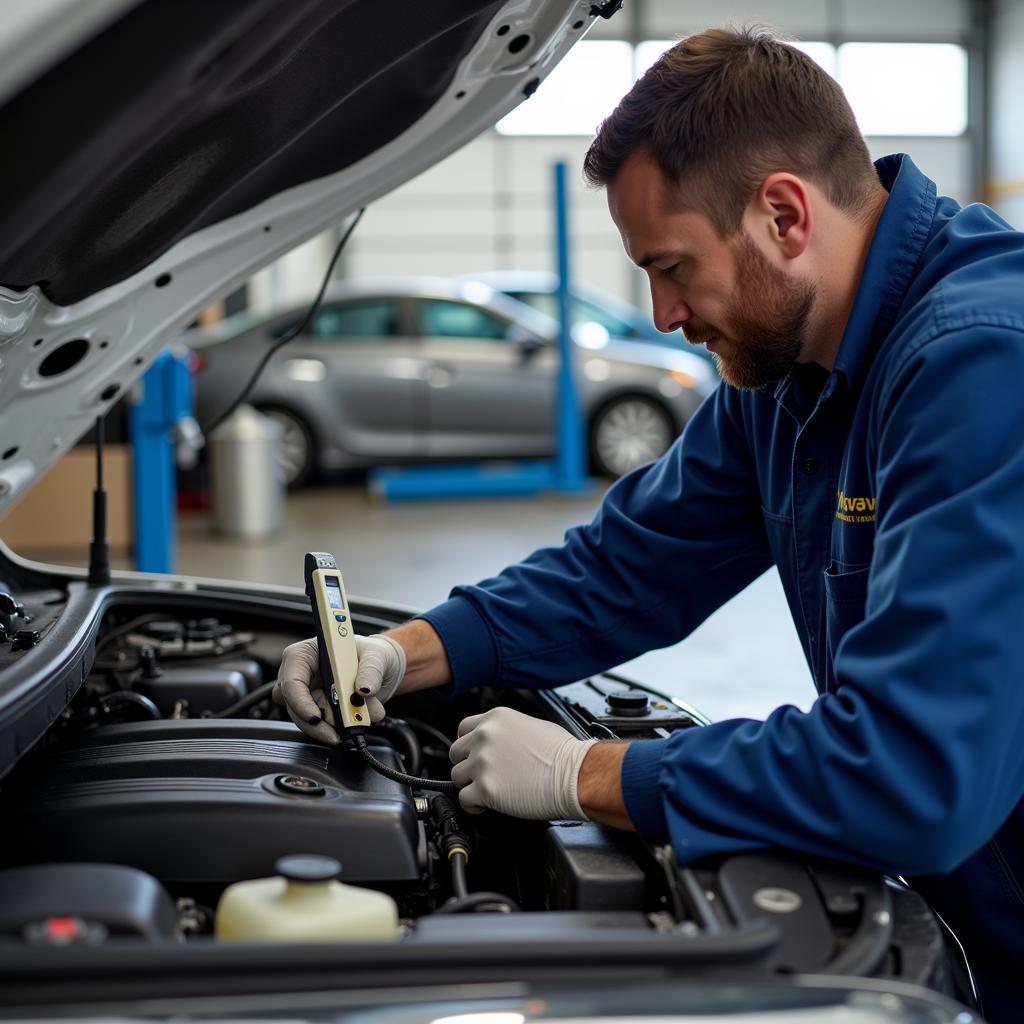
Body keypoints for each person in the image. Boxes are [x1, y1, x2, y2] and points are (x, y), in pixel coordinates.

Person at [274, 27, 1024, 1019]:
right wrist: (398, 655)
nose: (662, 314)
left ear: (784, 214)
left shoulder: (982, 364)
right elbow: (624, 567)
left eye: (671, 267)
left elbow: (912, 772)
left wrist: (591, 774)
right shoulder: (783, 366)